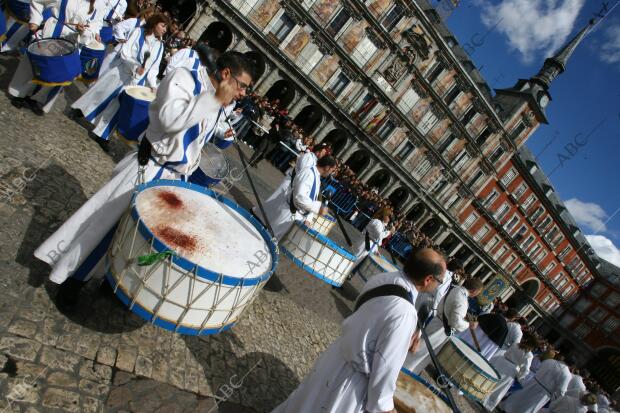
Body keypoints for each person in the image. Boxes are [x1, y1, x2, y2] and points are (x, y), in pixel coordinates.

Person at [34, 51, 253, 310]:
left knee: (140, 240)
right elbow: (172, 121)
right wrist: (215, 100)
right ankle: (73, 281)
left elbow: (201, 133)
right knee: (109, 226)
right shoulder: (183, 79)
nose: (242, 94)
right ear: (226, 74)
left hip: (173, 179)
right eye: (242, 86)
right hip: (150, 168)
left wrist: (222, 129)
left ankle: (111, 281)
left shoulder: (217, 102)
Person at [273, 248, 447, 413]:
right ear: (428, 279)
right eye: (440, 281)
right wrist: (384, 407)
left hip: (335, 357)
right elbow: (385, 368)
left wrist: (402, 338)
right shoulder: (406, 313)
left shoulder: (383, 279)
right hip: (350, 382)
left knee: (304, 402)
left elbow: (365, 318)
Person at [70, 12, 167, 145]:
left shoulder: (160, 46)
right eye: (163, 26)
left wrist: (153, 85)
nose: (165, 29)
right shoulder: (138, 32)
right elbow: (125, 52)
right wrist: (135, 66)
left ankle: (102, 135)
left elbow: (154, 68)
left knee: (118, 106)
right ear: (155, 24)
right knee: (101, 94)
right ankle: (80, 110)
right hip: (121, 71)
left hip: (135, 81)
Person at [9, 0, 105, 115]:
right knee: (34, 64)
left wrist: (84, 31)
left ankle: (37, 99)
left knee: (59, 72)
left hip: (73, 41)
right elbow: (38, 1)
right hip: (51, 31)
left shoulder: (100, 4)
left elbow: (96, 27)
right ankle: (19, 94)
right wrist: (35, 19)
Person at [404, 276, 483, 374]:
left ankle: (407, 368)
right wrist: (469, 324)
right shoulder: (462, 300)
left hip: (436, 321)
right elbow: (456, 322)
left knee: (422, 349)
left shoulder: (455, 289)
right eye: (478, 292)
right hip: (440, 329)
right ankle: (406, 370)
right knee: (422, 352)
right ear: (474, 291)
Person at [252, 155, 337, 241]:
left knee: (274, 241)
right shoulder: (308, 173)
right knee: (267, 239)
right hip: (289, 213)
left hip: (296, 216)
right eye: (332, 170)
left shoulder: (316, 176)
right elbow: (299, 197)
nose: (331, 174)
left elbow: (312, 199)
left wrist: (308, 218)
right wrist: (319, 208)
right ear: (327, 167)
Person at [500, 350, 572, 413]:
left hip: (533, 382)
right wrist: (554, 398)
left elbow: (540, 368)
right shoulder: (567, 374)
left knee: (519, 397)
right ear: (572, 366)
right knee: (528, 406)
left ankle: (507, 409)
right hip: (543, 393)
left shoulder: (550, 361)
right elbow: (561, 390)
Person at [482, 332, 538, 411]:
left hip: (502, 362)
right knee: (499, 387)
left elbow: (507, 353)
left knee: (491, 380)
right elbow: (525, 369)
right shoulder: (529, 354)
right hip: (511, 369)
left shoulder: (516, 344)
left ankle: (480, 394)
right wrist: (519, 377)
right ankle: (487, 403)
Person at [98, 6, 152, 75]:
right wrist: (122, 39)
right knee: (102, 72)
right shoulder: (134, 21)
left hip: (125, 58)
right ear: (146, 14)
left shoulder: (146, 31)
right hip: (117, 50)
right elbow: (118, 26)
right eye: (152, 15)